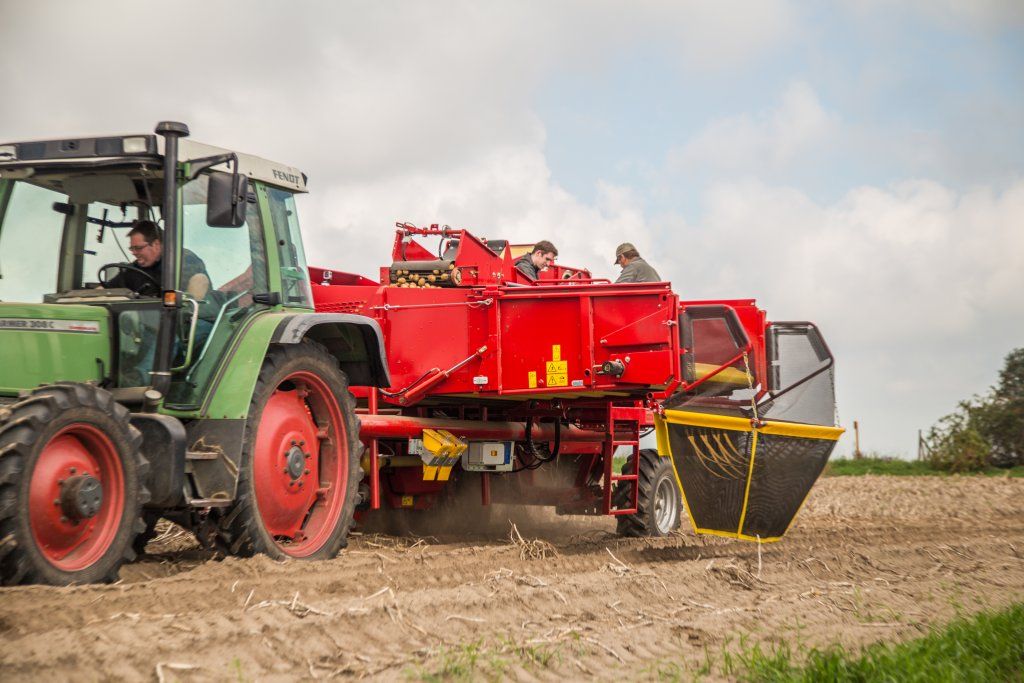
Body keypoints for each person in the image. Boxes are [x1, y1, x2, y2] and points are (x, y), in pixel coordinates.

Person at [108, 220, 210, 299]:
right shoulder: (136, 268)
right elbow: (108, 290)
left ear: (156, 244)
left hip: (188, 321)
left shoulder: (183, 261)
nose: (134, 253)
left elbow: (181, 302)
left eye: (138, 248)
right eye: (132, 248)